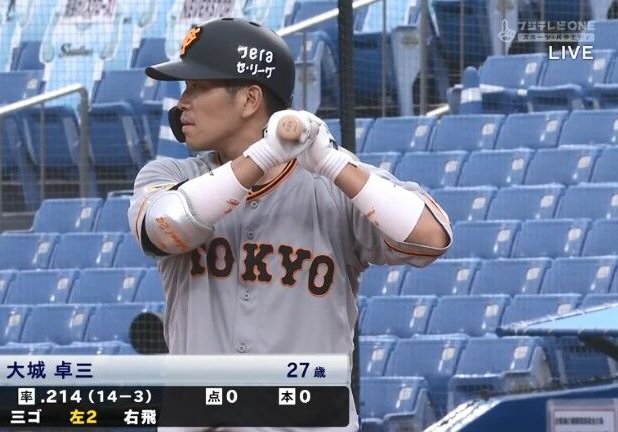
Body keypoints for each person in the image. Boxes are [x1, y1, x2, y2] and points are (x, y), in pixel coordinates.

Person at [128, 17, 452, 431]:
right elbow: (166, 226)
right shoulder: (169, 175)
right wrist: (263, 156)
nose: (181, 103)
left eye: (198, 87)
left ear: (249, 99)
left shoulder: (332, 185)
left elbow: (430, 238)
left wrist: (332, 162)